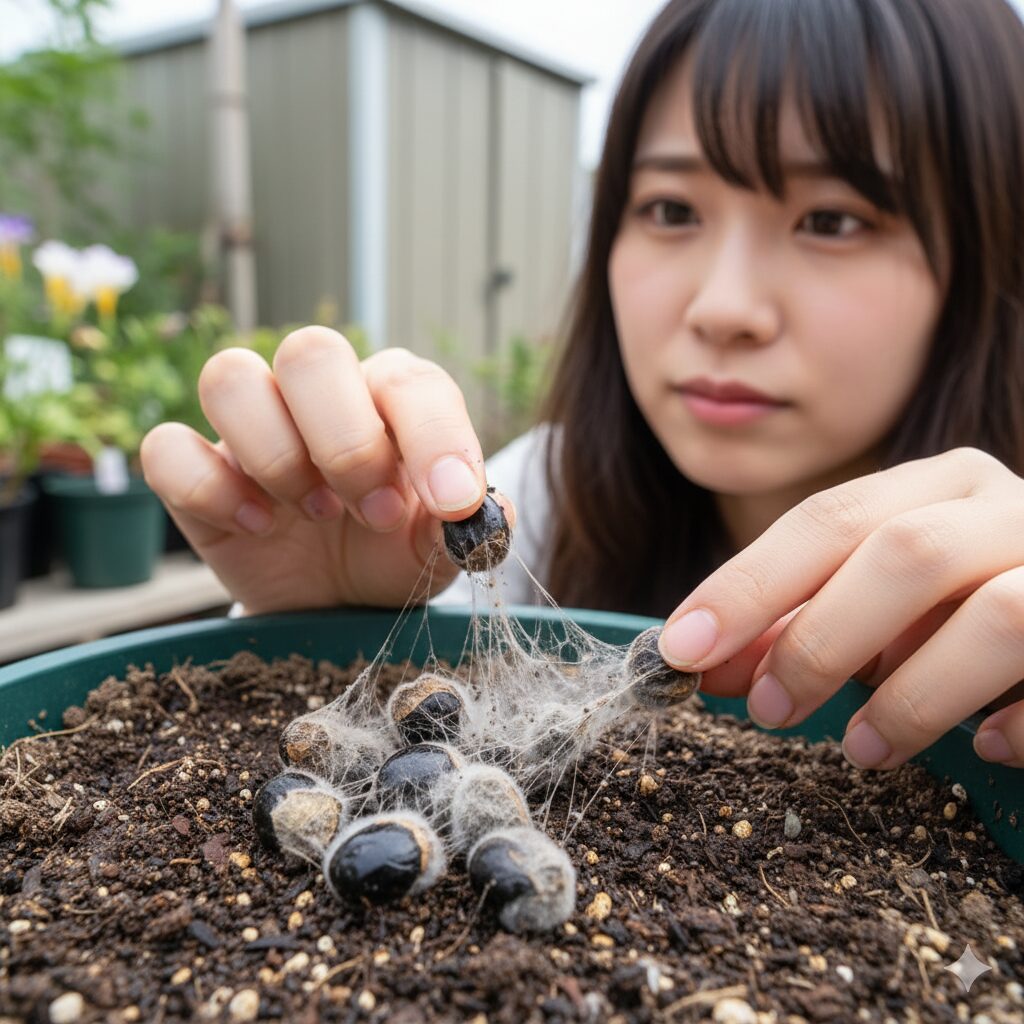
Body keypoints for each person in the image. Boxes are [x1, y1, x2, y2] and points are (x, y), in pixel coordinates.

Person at [140, 0, 1024, 774]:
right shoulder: (537, 501)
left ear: (992, 252)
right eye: (671, 209)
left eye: (832, 220)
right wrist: (321, 621)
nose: (723, 308)